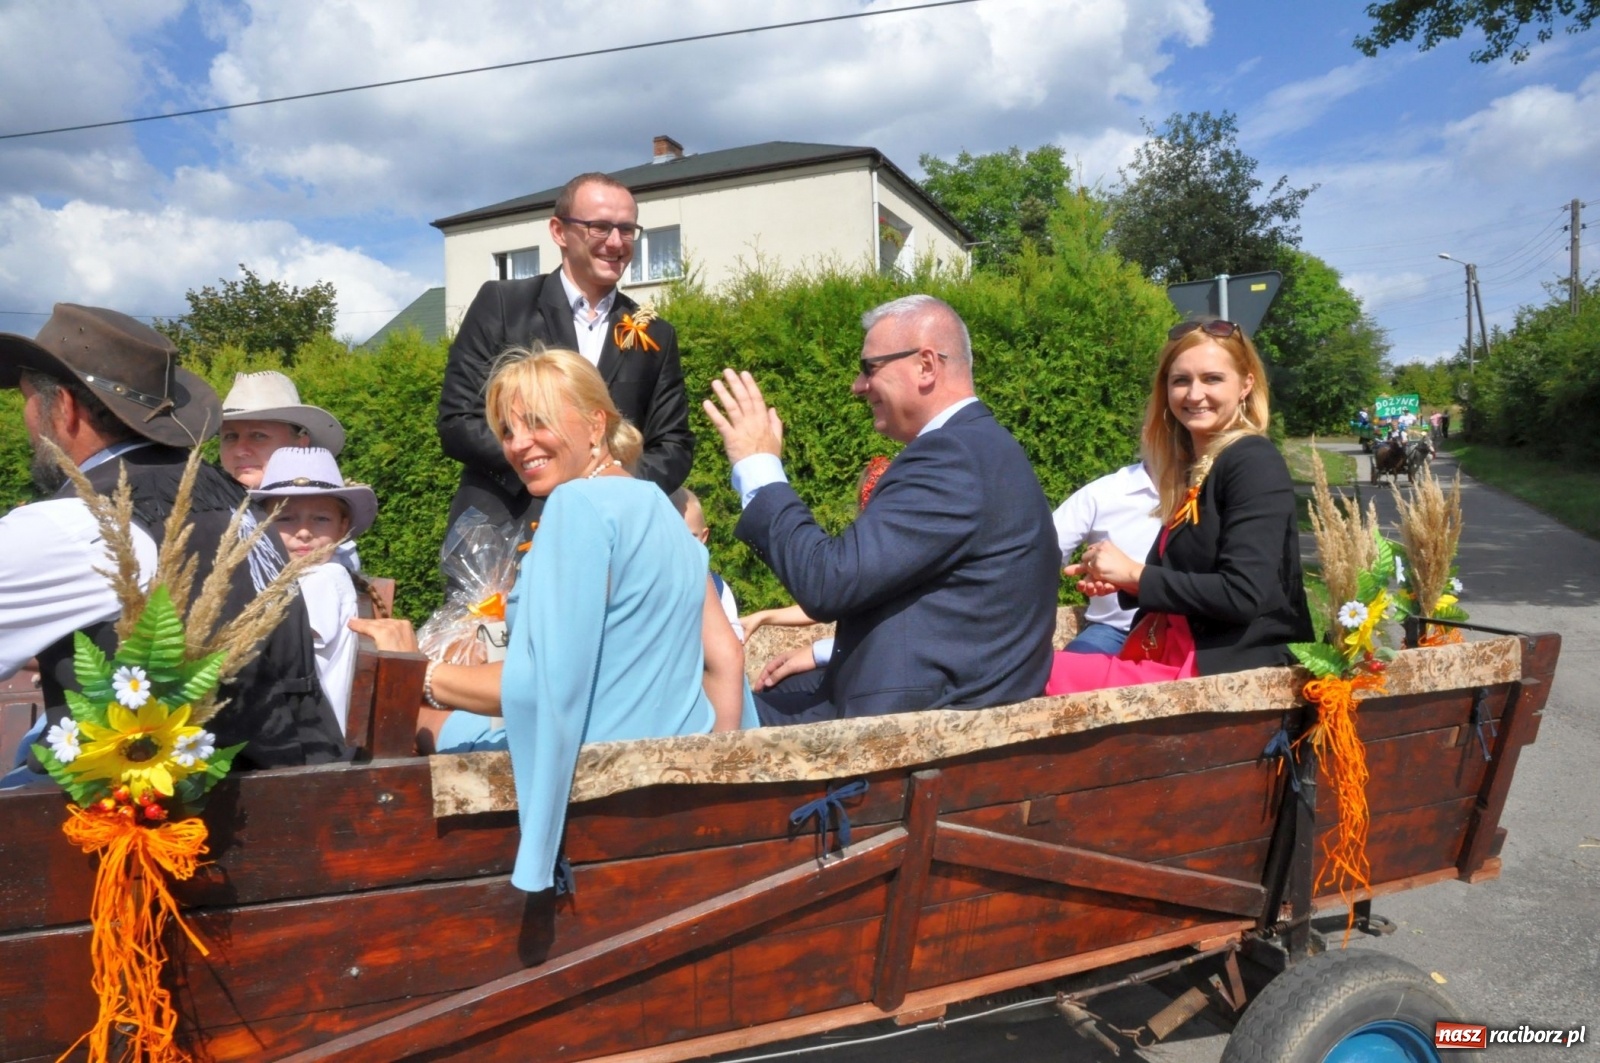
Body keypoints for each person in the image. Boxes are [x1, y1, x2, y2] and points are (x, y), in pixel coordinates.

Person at [353, 347, 743, 894]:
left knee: (417, 720)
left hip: (588, 778)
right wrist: (713, 774)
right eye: (507, 430)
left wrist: (418, 672)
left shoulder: (576, 507)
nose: (517, 445)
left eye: (536, 423)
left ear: (594, 424)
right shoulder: (659, 504)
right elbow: (725, 655)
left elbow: (540, 687)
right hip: (671, 761)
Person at [0, 305, 345, 782]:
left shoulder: (74, 524)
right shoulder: (228, 499)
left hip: (156, 827)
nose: (26, 419)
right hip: (298, 791)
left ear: (63, 405)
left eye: (26, 399)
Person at [704, 294, 1058, 725]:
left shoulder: (953, 457)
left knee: (701, 720)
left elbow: (827, 581)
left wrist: (757, 466)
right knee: (760, 691)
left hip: (911, 733)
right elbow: (936, 601)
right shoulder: (977, 446)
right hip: (928, 703)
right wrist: (822, 653)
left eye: (870, 368)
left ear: (926, 365)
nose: (858, 385)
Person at [1046, 319, 1313, 694]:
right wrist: (1123, 582)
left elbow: (1244, 593)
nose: (1194, 393)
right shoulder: (1200, 469)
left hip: (1227, 672)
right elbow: (1199, 577)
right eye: (1181, 380)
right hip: (1179, 657)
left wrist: (1136, 575)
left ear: (1246, 385)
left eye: (1212, 379)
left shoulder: (1253, 460)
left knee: (1028, 673)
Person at [437, 172, 694, 537]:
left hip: (610, 529)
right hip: (504, 526)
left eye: (627, 229)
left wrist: (611, 489)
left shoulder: (654, 333)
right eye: (600, 227)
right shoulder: (503, 305)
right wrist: (553, 468)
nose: (616, 242)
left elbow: (673, 444)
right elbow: (459, 422)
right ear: (559, 231)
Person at [249, 447, 376, 734]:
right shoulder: (292, 579)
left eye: (320, 519)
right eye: (286, 518)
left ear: (343, 527)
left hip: (310, 735)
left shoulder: (323, 578)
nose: (304, 531)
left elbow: (289, 650)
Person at [218, 370, 361, 584]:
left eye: (258, 435)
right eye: (230, 436)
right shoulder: (206, 510)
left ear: (300, 443)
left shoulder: (325, 548)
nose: (240, 450)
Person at [1052, 461, 1161, 655]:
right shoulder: (1104, 493)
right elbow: (1041, 555)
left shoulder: (1214, 490)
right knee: (1066, 676)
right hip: (1114, 632)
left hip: (1193, 632)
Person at [672, 487, 744, 641]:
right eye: (675, 536)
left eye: (691, 537)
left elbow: (733, 636)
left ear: (704, 536)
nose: (683, 545)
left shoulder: (717, 587)